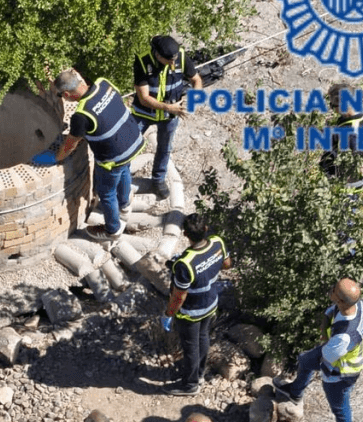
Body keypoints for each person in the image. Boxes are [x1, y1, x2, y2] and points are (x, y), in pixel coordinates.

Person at [53, 69, 145, 241]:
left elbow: (70, 144)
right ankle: (125, 205)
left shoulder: (81, 116)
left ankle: (113, 230)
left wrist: (56, 158)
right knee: (125, 170)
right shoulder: (104, 83)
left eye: (62, 96)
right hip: (132, 140)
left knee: (107, 193)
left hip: (113, 157)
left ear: (67, 94)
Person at [275, 278, 363, 422]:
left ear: (341, 301)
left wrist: (326, 376)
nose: (331, 289)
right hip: (333, 351)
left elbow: (327, 358)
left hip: (342, 372)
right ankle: (295, 393)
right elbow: (332, 310)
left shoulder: (345, 336)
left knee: (340, 409)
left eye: (333, 290)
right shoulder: (357, 305)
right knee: (305, 360)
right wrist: (324, 331)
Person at [160, 213, 232, 396]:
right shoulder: (217, 242)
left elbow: (179, 297)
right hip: (211, 304)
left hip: (190, 313)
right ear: (206, 229)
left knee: (190, 347)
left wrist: (168, 314)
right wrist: (208, 269)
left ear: (185, 234)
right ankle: (199, 374)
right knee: (203, 338)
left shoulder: (185, 264)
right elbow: (227, 264)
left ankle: (190, 385)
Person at [130, 35, 202, 199]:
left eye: (174, 61)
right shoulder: (143, 62)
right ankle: (121, 178)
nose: (172, 64)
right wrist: (169, 107)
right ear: (157, 54)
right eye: (168, 61)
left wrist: (193, 98)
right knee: (128, 144)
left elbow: (196, 80)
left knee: (165, 148)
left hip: (171, 114)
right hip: (144, 113)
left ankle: (158, 180)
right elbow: (144, 98)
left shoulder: (181, 57)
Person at [321, 83, 363, 193]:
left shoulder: (351, 133)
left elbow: (360, 165)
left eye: (332, 106)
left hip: (348, 185)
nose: (331, 108)